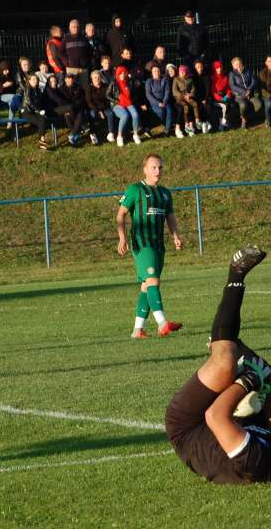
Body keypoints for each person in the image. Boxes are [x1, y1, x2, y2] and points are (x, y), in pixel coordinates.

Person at [165, 244, 271, 484]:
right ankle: (229, 340)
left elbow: (214, 416)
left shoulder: (256, 464)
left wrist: (247, 382)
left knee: (224, 366)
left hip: (192, 424)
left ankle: (236, 275)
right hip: (234, 419)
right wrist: (264, 381)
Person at [116, 154, 183, 339]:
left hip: (158, 244)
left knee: (147, 286)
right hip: (142, 243)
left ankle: (137, 330)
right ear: (145, 169)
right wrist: (122, 238)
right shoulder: (135, 190)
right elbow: (121, 214)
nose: (157, 171)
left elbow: (170, 217)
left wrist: (176, 236)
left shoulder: (164, 193)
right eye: (153, 167)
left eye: (160, 167)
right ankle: (162, 323)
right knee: (153, 280)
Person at [107, 63, 141, 146]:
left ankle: (135, 134)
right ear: (117, 74)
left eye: (124, 73)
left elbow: (136, 89)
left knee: (135, 114)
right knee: (125, 115)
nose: (122, 75)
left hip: (128, 103)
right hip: (117, 104)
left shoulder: (129, 82)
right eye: (120, 73)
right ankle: (119, 136)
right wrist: (116, 101)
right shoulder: (114, 83)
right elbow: (107, 95)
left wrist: (132, 78)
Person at [18, 74, 49, 150]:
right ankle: (42, 142)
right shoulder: (27, 88)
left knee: (43, 119)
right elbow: (29, 102)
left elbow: (39, 102)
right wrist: (39, 110)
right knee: (41, 122)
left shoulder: (37, 89)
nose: (35, 81)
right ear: (29, 81)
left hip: (34, 111)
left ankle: (42, 140)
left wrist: (41, 110)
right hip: (26, 111)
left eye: (36, 79)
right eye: (33, 79)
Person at [229, 57, 261, 129]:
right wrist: (244, 92)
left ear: (242, 63)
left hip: (249, 94)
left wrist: (249, 90)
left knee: (258, 104)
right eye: (236, 65)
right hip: (239, 96)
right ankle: (243, 118)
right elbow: (233, 86)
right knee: (243, 105)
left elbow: (254, 81)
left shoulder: (248, 71)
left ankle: (248, 117)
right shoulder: (232, 74)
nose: (238, 66)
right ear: (233, 66)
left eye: (239, 64)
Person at [86, 70, 114, 144]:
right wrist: (98, 111)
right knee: (92, 115)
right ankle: (93, 134)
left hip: (104, 107)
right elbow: (89, 102)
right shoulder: (89, 88)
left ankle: (111, 133)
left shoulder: (105, 86)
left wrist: (102, 109)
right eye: (95, 77)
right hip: (94, 108)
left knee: (110, 113)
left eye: (98, 77)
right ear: (92, 79)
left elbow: (108, 99)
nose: (97, 79)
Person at [145, 64, 174, 137]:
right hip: (154, 102)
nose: (157, 72)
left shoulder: (164, 79)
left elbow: (167, 91)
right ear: (152, 73)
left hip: (165, 101)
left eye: (158, 71)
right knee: (160, 113)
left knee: (169, 111)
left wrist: (164, 101)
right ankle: (148, 128)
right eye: (155, 71)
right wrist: (158, 103)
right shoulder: (149, 81)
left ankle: (167, 131)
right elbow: (148, 94)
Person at [173, 64, 201, 136]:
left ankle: (197, 120)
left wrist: (190, 95)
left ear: (186, 72)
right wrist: (183, 96)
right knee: (186, 106)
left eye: (183, 72)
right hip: (180, 98)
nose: (182, 73)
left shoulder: (189, 79)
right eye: (180, 72)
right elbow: (175, 91)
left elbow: (193, 88)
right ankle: (186, 124)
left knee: (195, 104)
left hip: (188, 96)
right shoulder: (176, 79)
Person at [62, 19, 91, 88]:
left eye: (77, 27)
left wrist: (86, 61)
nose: (76, 29)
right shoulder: (66, 39)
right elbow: (60, 52)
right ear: (70, 28)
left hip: (83, 68)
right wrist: (66, 61)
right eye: (74, 27)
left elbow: (90, 51)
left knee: (85, 88)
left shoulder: (84, 38)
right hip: (71, 68)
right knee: (71, 87)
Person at [60, 73, 87, 146]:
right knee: (67, 116)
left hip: (78, 107)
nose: (70, 79)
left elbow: (81, 98)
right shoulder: (61, 88)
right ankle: (80, 129)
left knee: (80, 113)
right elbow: (62, 101)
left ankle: (72, 135)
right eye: (68, 78)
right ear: (65, 79)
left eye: (71, 78)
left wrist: (74, 104)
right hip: (68, 108)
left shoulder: (78, 87)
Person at [210, 60, 233, 131]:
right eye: (217, 68)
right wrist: (220, 98)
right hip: (216, 98)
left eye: (220, 67)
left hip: (225, 96)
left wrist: (228, 95)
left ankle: (222, 123)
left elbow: (228, 88)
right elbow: (213, 91)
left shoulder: (225, 77)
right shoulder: (213, 78)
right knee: (225, 105)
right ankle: (223, 123)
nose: (219, 69)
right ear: (214, 69)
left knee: (228, 103)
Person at [0, 60, 19, 127]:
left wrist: (12, 85)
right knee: (14, 97)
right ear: (1, 69)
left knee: (12, 102)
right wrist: (3, 86)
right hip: (1, 97)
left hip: (11, 97)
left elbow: (15, 88)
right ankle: (20, 108)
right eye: (5, 70)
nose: (7, 71)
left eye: (8, 69)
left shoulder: (11, 77)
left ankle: (10, 123)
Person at [192, 60, 212, 133]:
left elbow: (208, 89)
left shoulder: (207, 76)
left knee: (208, 106)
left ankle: (205, 123)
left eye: (200, 67)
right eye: (197, 67)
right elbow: (194, 90)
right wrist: (200, 100)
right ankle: (204, 123)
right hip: (197, 97)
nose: (199, 68)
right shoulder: (193, 78)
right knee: (199, 106)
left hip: (206, 97)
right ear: (195, 68)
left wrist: (205, 99)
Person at [258, 55, 271, 127]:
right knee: (269, 103)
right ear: (266, 63)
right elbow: (262, 89)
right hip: (266, 95)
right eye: (269, 61)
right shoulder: (262, 72)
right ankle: (268, 120)